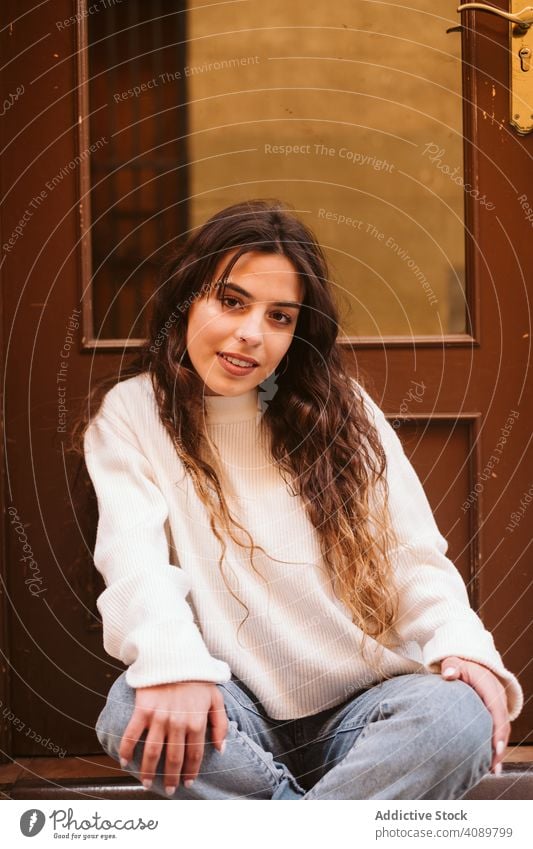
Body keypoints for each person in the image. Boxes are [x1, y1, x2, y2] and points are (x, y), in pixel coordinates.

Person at [80, 199, 523, 800]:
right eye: (231, 301)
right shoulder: (133, 414)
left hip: (367, 706)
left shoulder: (345, 411)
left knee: (457, 716)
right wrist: (174, 665)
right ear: (189, 297)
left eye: (280, 317)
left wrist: (462, 646)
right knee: (131, 706)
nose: (250, 334)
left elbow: (413, 557)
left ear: (298, 331)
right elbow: (136, 565)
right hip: (230, 713)